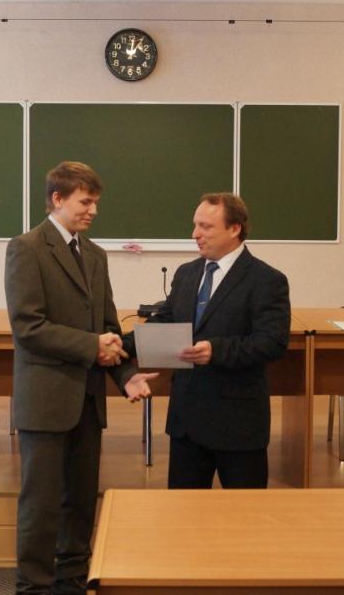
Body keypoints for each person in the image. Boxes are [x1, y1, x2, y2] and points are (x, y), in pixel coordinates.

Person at [5, 161, 157, 595]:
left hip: (87, 399)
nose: (93, 211)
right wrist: (92, 346)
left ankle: (72, 578)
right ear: (57, 199)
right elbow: (28, 327)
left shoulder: (94, 255)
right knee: (41, 503)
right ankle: (33, 586)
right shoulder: (26, 248)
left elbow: (108, 328)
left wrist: (127, 376)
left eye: (95, 203)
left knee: (81, 499)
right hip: (46, 399)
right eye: (85, 202)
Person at [125, 192, 290, 489]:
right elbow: (166, 320)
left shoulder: (267, 280)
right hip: (187, 424)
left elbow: (272, 342)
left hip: (238, 426)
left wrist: (217, 351)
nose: (195, 234)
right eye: (195, 225)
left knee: (244, 513)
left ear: (234, 228)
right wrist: (119, 344)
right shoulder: (187, 273)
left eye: (205, 226)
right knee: (184, 512)